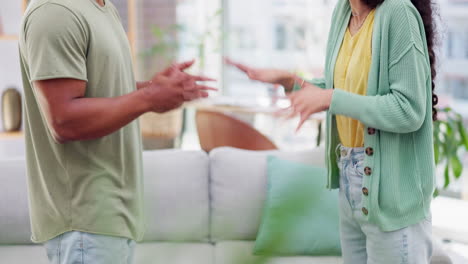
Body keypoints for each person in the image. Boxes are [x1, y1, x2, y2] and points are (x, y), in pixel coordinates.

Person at [227, 0, 437, 262]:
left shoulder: (398, 12)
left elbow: (409, 110)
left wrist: (331, 98)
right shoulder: (344, 12)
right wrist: (289, 82)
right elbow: (343, 87)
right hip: (350, 180)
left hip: (391, 192)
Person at [18, 0, 216, 263]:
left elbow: (102, 88)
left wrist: (151, 88)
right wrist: (148, 98)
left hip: (109, 218)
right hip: (84, 223)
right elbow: (64, 120)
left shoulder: (101, 7)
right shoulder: (55, 11)